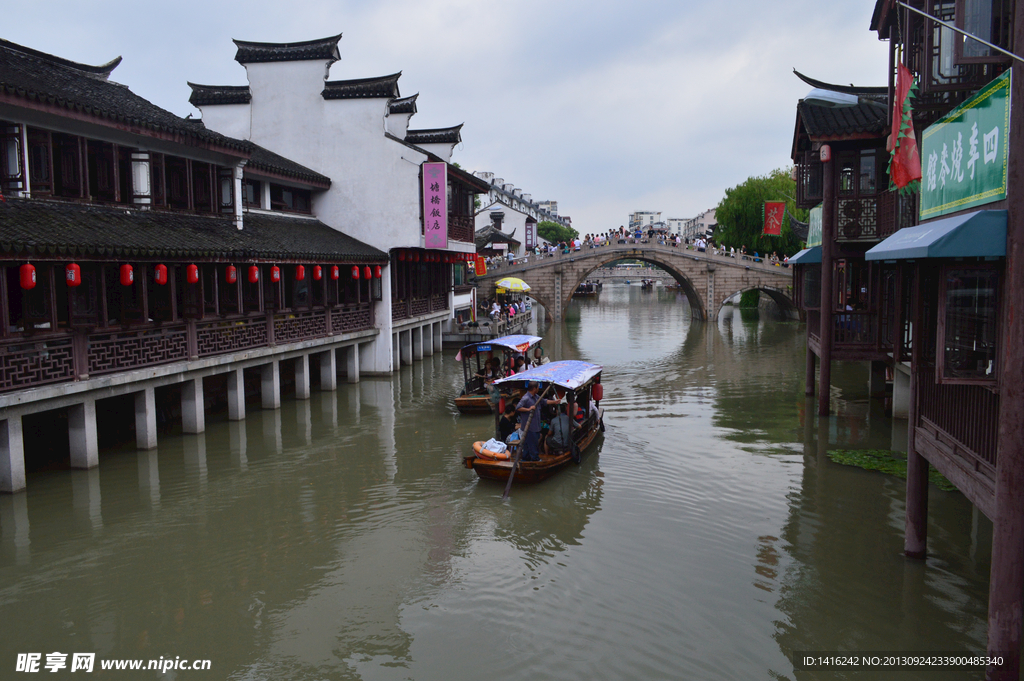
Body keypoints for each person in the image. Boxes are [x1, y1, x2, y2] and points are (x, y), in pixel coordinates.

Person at [516, 382, 558, 462]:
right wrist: (528, 409)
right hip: (529, 427)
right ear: (534, 388)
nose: (539, 389)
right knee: (532, 444)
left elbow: (544, 401)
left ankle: (526, 459)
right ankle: (534, 460)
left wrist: (554, 402)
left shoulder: (536, 397)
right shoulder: (526, 398)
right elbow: (518, 407)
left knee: (530, 444)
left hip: (535, 426)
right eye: (538, 387)